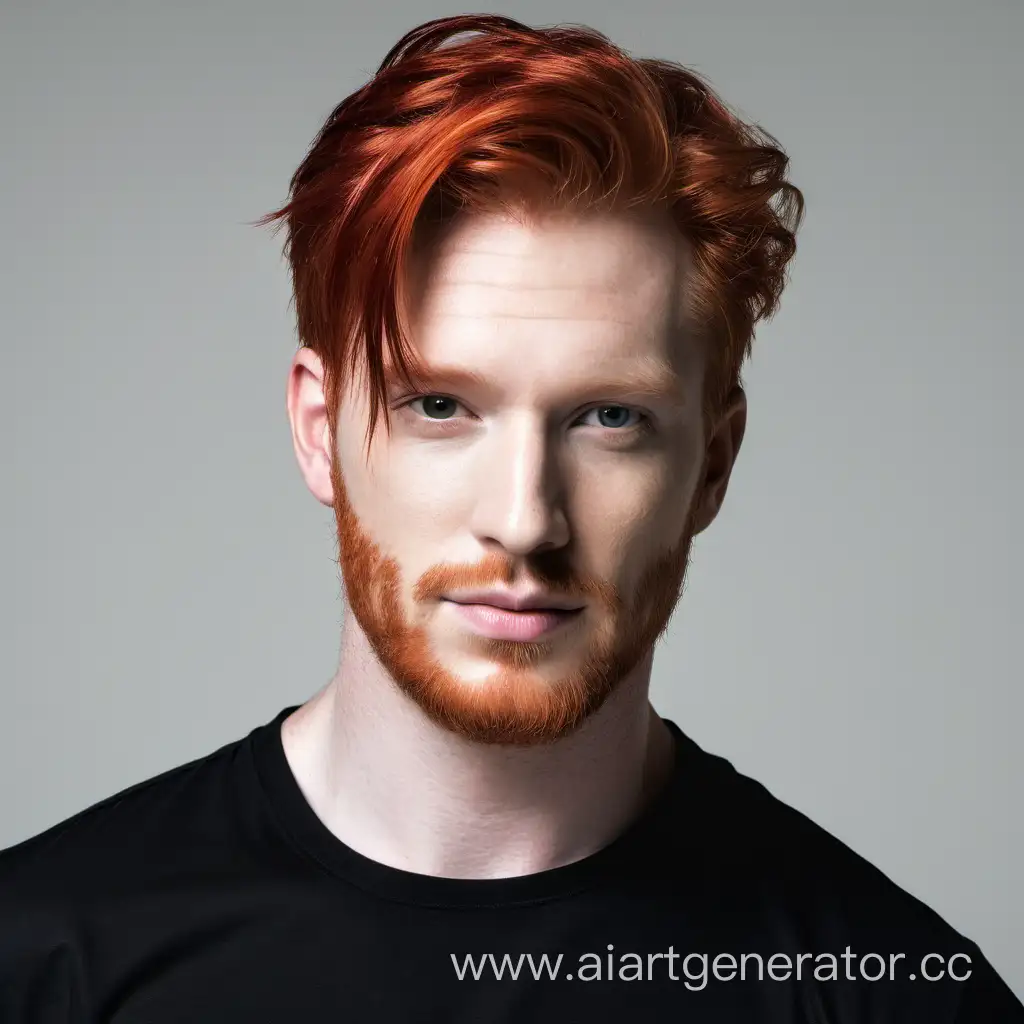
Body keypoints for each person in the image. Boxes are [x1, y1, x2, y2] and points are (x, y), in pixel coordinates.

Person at [1, 13, 1020, 1022]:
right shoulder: (44, 955)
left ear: (712, 462)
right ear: (320, 431)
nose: (525, 520)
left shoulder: (887, 993)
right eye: (440, 406)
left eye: (609, 417)